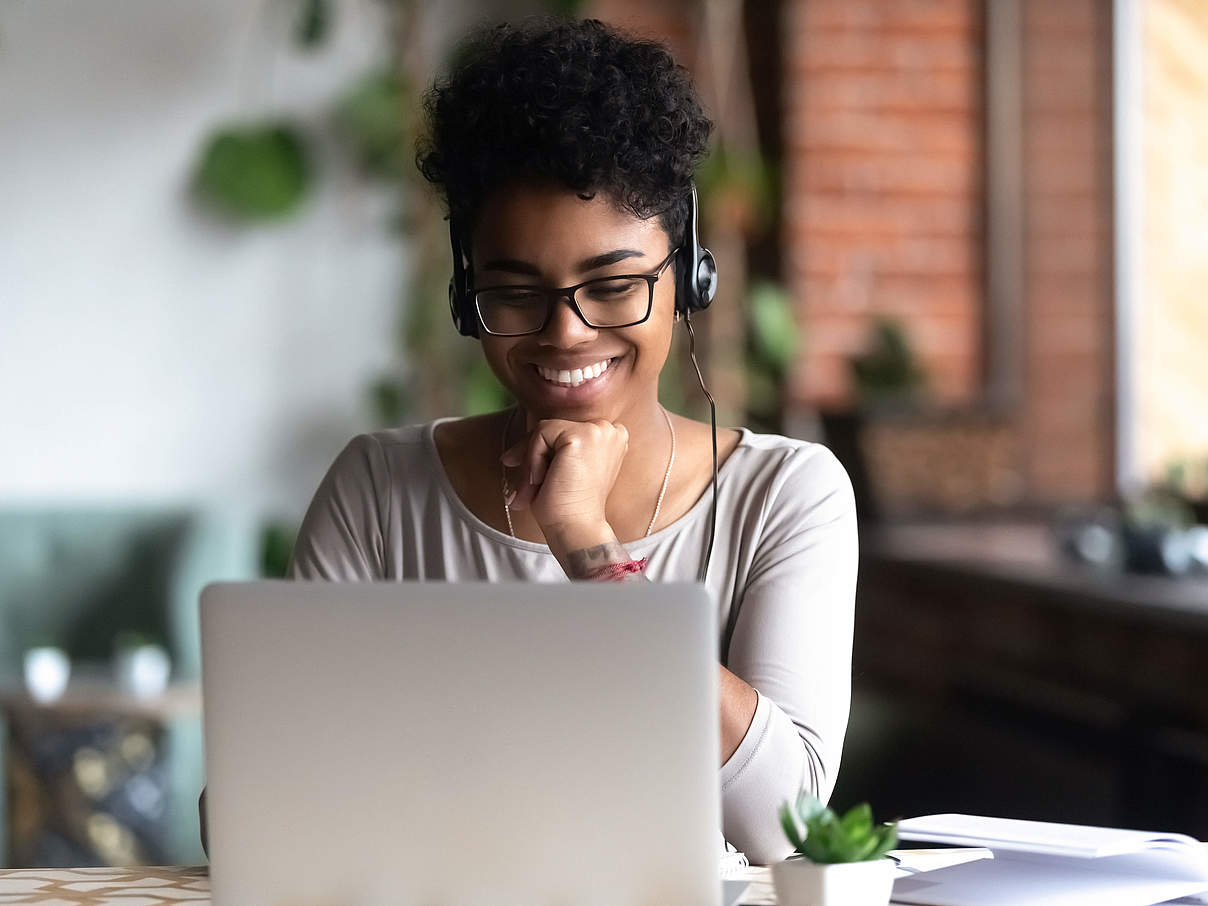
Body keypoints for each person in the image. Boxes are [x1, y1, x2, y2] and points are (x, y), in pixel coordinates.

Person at [217, 17, 856, 866]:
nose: (566, 333)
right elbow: (245, 819)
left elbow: (793, 826)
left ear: (689, 278)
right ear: (464, 294)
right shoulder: (380, 488)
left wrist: (589, 548)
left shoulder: (786, 494)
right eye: (515, 293)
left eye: (614, 285)